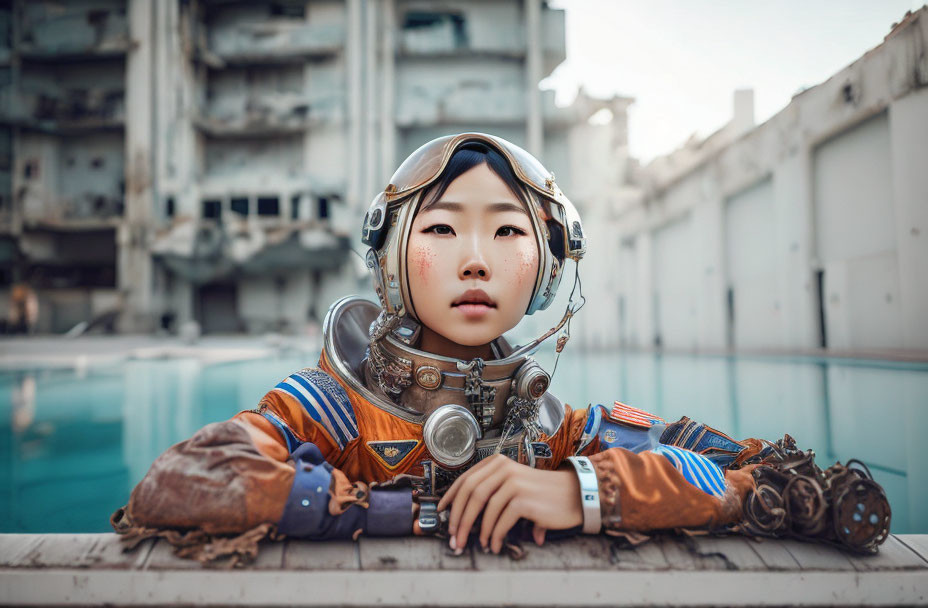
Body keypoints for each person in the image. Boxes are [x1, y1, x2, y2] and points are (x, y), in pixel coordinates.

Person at [112, 133, 771, 560]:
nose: (476, 261)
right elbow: (180, 482)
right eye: (443, 230)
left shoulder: (556, 432)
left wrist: (579, 492)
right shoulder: (329, 410)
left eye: (509, 232)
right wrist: (412, 510)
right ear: (393, 261)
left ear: (547, 268)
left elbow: (766, 480)